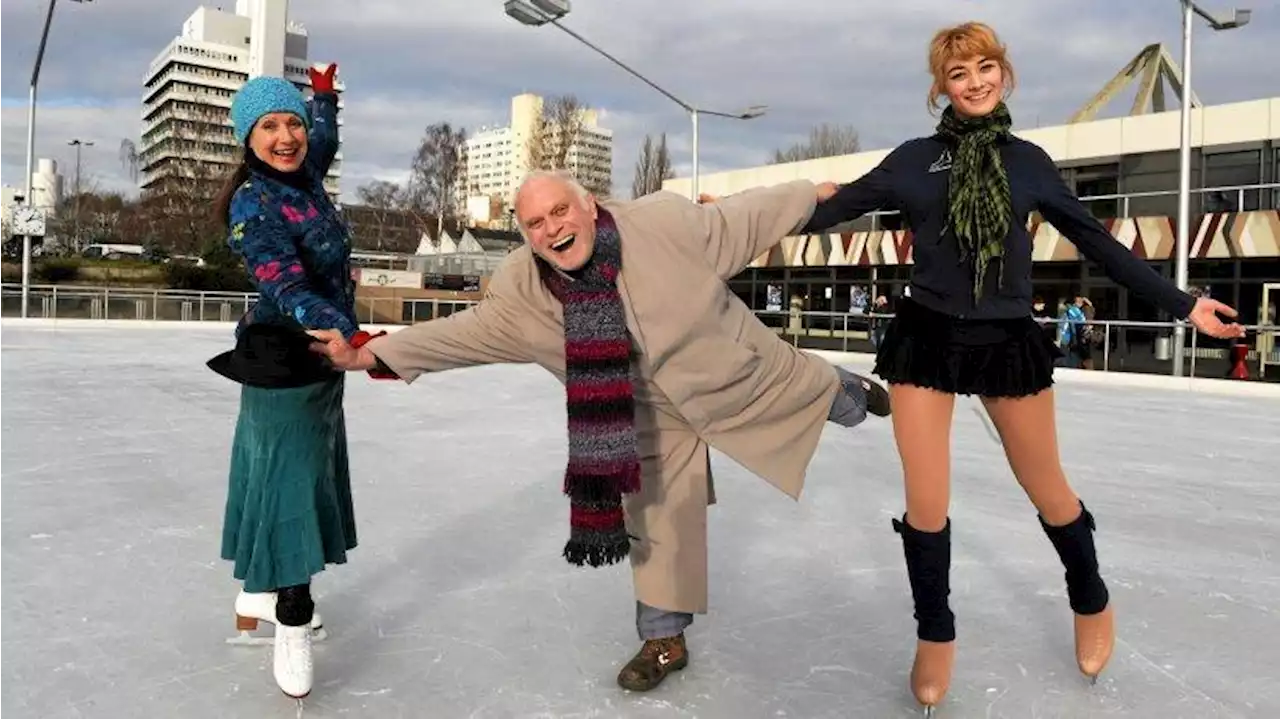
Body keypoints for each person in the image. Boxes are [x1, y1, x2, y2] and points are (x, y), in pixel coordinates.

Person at [800, 21, 1245, 715]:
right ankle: (935, 631)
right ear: (939, 87)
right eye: (958, 73)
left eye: (984, 67)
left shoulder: (1029, 162)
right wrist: (731, 217)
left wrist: (1186, 305)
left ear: (1003, 73)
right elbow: (828, 211)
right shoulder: (914, 160)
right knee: (926, 500)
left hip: (1006, 339)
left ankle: (1090, 594)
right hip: (926, 338)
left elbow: (1102, 247)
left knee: (1048, 488)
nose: (974, 81)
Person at [309, 169, 892, 693]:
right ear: (525, 236)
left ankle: (843, 389)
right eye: (535, 223)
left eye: (560, 211)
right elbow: (461, 335)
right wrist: (369, 355)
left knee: (819, 397)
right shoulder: (521, 295)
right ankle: (664, 639)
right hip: (640, 415)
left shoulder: (663, 224)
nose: (552, 229)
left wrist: (806, 195)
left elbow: (741, 216)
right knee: (656, 515)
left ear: (589, 205)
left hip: (729, 370)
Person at [207, 64, 392, 700]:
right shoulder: (253, 202)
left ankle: (258, 590)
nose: (286, 136)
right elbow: (285, 284)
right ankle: (288, 618)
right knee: (289, 487)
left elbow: (323, 140)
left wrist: (322, 99)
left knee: (299, 479)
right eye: (269, 126)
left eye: (291, 123)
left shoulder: (305, 178)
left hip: (320, 362)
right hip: (285, 359)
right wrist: (347, 329)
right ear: (246, 138)